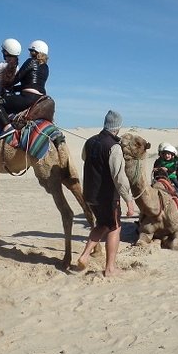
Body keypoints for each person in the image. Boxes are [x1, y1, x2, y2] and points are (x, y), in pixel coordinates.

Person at [76, 110, 136, 276]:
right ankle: (110, 268)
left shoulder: (89, 142)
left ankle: (85, 255)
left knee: (102, 224)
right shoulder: (114, 147)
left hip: (89, 193)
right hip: (107, 196)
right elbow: (120, 177)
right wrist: (129, 201)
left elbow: (84, 158)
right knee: (114, 228)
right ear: (117, 127)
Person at [0, 39, 50, 140]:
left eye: (31, 51)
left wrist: (6, 84)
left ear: (34, 51)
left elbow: (17, 78)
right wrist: (14, 89)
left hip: (27, 98)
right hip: (39, 99)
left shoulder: (31, 61)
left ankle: (7, 127)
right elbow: (31, 85)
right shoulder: (46, 67)